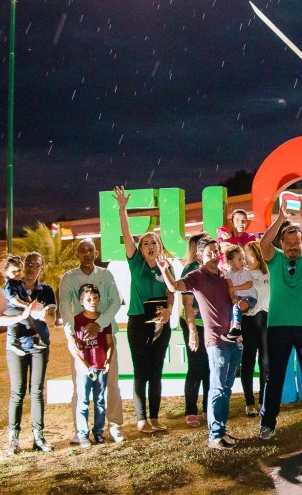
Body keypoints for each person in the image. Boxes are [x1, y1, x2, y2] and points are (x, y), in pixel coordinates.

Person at [158, 237, 243, 450]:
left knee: (226, 389)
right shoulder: (196, 276)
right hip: (216, 342)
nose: (214, 255)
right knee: (217, 388)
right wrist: (164, 269)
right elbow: (174, 287)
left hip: (234, 340)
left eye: (216, 251)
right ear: (200, 256)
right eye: (209, 253)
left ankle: (221, 431)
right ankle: (215, 436)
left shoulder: (224, 275)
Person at [257, 197, 302, 441]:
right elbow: (263, 244)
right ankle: (267, 424)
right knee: (275, 376)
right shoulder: (275, 259)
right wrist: (280, 218)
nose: (292, 247)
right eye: (288, 243)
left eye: (296, 242)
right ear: (282, 244)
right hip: (278, 326)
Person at [113, 186, 174, 434]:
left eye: (154, 242)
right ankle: (141, 419)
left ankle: (155, 418)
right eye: (146, 243)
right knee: (141, 372)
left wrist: (169, 310)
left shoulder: (165, 266)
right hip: (138, 322)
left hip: (161, 322)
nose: (150, 246)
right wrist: (123, 209)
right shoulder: (136, 263)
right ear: (140, 249)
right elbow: (127, 234)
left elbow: (171, 290)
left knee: (156, 372)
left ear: (160, 246)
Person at [59, 239, 125, 443]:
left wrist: (99, 324)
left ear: (96, 254)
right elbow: (64, 306)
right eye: (82, 251)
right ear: (77, 254)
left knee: (110, 383)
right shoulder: (69, 277)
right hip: (80, 339)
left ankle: (114, 425)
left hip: (105, 336)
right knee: (80, 387)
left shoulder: (105, 275)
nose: (87, 254)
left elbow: (115, 302)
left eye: (90, 250)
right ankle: (80, 431)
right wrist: (71, 335)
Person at [0, 252, 56, 453]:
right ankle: (14, 440)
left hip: (39, 345)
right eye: (28, 263)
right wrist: (22, 315)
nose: (31, 268)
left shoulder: (46, 290)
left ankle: (39, 437)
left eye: (36, 265)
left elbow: (52, 319)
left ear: (41, 268)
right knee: (17, 392)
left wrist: (42, 314)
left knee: (37, 392)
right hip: (16, 347)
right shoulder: (11, 288)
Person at [67, 283, 114, 448]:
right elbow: (72, 346)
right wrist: (82, 364)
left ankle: (98, 432)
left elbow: (110, 342)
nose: (93, 301)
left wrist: (108, 360)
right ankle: (82, 434)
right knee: (84, 401)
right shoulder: (76, 320)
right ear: (81, 301)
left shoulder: (103, 320)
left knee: (100, 400)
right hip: (84, 368)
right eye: (88, 299)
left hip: (101, 367)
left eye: (95, 298)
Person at [179, 233, 211, 428]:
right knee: (196, 366)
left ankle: (208, 408)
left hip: (210, 325)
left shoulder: (213, 268)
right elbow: (187, 303)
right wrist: (192, 331)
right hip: (194, 324)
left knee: (209, 367)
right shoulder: (191, 269)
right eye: (202, 245)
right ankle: (191, 411)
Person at [241, 241, 271, 417]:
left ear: (258, 254)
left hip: (266, 319)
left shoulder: (269, 272)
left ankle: (263, 401)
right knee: (248, 361)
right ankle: (249, 402)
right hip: (249, 320)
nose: (247, 258)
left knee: (265, 363)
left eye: (250, 254)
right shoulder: (242, 274)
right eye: (245, 254)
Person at [0, 255, 48, 356]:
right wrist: (25, 305)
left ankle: (17, 342)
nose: (17, 273)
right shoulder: (10, 285)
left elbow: (26, 295)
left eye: (19, 270)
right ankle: (34, 338)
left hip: (17, 307)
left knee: (17, 324)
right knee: (25, 319)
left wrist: (30, 302)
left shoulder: (20, 283)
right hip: (10, 308)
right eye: (14, 271)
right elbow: (14, 299)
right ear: (6, 272)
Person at [221, 245, 258, 343]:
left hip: (250, 297)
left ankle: (236, 328)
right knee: (234, 310)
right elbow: (230, 288)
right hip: (239, 298)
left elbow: (249, 284)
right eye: (239, 260)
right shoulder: (228, 274)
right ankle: (235, 331)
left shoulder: (246, 272)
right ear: (230, 262)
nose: (243, 262)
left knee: (237, 307)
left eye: (243, 259)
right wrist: (233, 298)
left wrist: (235, 288)